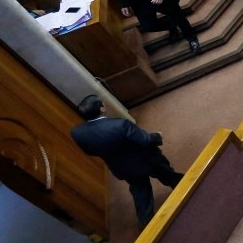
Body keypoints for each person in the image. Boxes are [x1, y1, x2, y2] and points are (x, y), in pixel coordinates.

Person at [70, 95, 184, 225]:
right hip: (147, 159)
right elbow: (144, 140)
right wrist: (157, 136)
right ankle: (183, 185)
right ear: (102, 108)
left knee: (140, 191)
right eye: (103, 103)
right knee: (165, 173)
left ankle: (146, 222)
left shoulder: (77, 132)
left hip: (122, 168)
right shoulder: (120, 125)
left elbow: (89, 151)